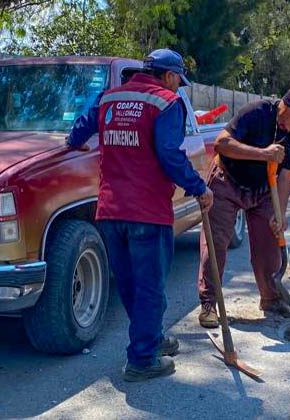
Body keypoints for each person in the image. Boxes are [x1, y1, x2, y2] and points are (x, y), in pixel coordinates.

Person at [67, 49, 213, 380]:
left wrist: (72, 142)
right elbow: (170, 156)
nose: (179, 88)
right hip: (148, 212)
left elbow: (79, 131)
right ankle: (142, 359)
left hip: (109, 211)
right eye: (179, 82)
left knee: (132, 285)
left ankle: (152, 338)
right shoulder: (166, 102)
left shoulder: (109, 97)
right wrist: (199, 187)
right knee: (149, 286)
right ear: (171, 75)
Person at [197, 83, 290, 328]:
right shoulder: (257, 112)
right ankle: (210, 303)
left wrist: (279, 212)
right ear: (287, 105)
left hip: (264, 189)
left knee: (269, 246)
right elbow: (222, 144)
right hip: (227, 181)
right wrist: (263, 154)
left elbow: (287, 173)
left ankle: (271, 298)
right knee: (216, 243)